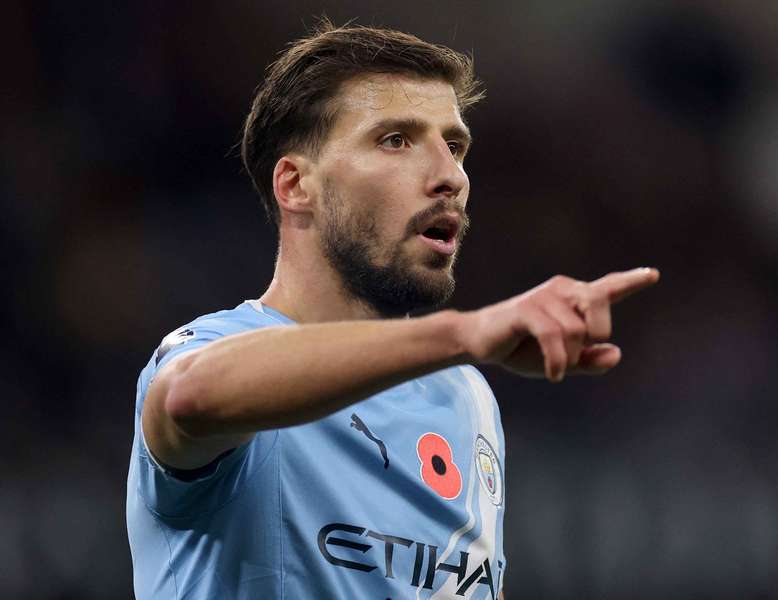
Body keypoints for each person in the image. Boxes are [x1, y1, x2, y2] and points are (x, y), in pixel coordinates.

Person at [125, 21, 659, 600]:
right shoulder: (215, 348)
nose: (450, 177)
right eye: (395, 140)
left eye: (454, 146)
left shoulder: (467, 394)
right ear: (295, 185)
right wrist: (464, 333)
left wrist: (461, 349)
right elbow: (189, 398)